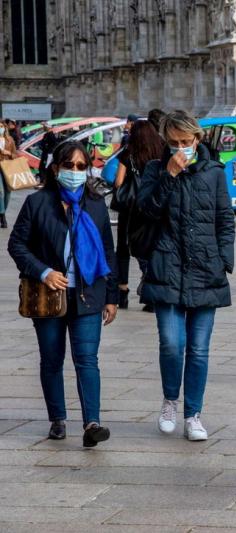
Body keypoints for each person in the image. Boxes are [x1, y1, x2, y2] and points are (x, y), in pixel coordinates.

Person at [8, 141, 118, 446]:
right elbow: (16, 244)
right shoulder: (38, 203)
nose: (74, 172)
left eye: (81, 167)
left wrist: (111, 296)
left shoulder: (95, 204)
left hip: (87, 294)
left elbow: (107, 252)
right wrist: (44, 271)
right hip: (48, 294)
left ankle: (92, 423)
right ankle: (57, 418)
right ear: (56, 168)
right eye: (68, 166)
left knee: (87, 359)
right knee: (52, 359)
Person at [137, 111, 235, 441]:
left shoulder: (214, 173)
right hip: (167, 265)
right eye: (174, 143)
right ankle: (169, 401)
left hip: (206, 267)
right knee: (171, 343)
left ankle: (194, 414)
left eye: (186, 141)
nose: (181, 148)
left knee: (199, 348)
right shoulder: (154, 169)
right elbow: (146, 210)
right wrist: (168, 175)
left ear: (198, 139)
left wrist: (225, 259)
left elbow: (224, 218)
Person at [113, 120, 164, 309]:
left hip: (130, 208)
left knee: (123, 248)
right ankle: (150, 291)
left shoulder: (128, 154)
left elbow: (118, 182)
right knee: (151, 246)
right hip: (152, 206)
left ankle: (122, 291)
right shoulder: (160, 152)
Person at [0, 118, 19, 228]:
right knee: (1, 192)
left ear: (5, 128)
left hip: (7, 167)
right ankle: (2, 216)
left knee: (8, 192)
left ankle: (2, 212)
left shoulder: (10, 140)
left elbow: (15, 155)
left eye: (1, 127)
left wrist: (8, 153)